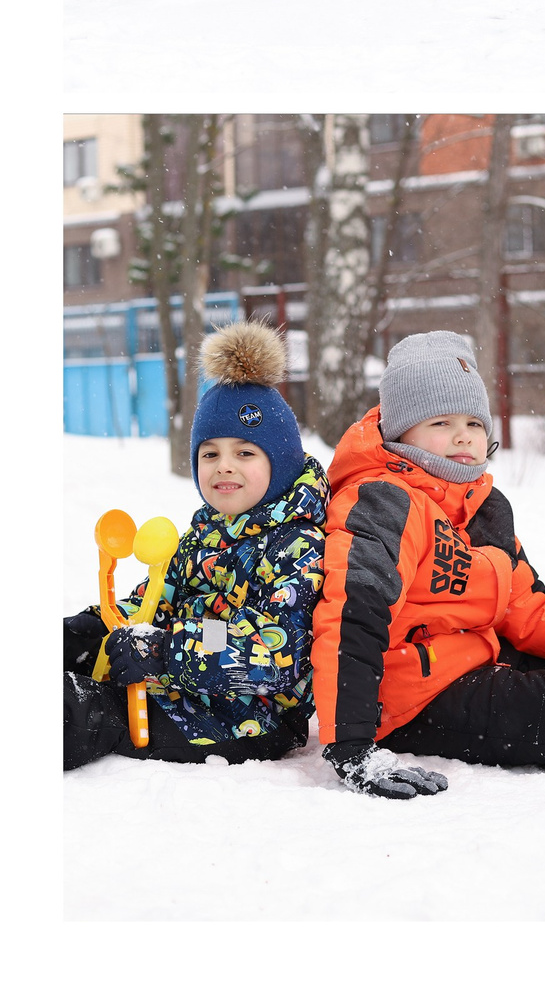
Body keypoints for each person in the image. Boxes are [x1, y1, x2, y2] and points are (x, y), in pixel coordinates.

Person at [313, 332, 545, 796]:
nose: (463, 435)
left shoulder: (482, 505)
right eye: (442, 422)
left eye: (473, 422)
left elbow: (526, 605)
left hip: (471, 660)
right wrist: (351, 743)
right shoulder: (382, 500)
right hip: (402, 695)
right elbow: (351, 617)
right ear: (400, 431)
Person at [65, 323, 327, 768]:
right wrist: (99, 625)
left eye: (245, 453)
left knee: (86, 714)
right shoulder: (205, 533)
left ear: (280, 462)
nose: (224, 466)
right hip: (178, 685)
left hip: (250, 717)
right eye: (210, 454)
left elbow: (274, 650)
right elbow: (156, 605)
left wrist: (166, 650)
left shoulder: (298, 547)